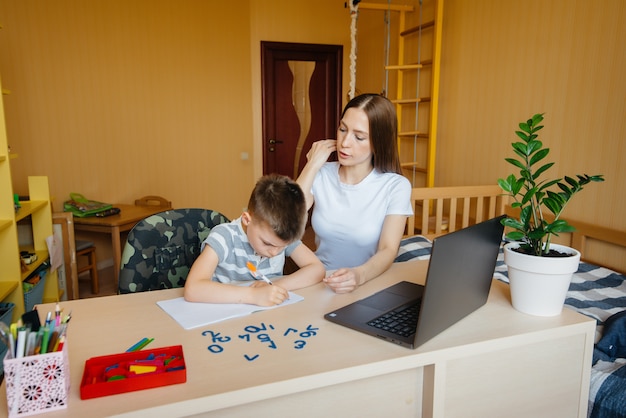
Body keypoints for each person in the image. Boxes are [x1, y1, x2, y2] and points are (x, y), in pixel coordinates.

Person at [297, 93, 413, 294]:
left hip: (368, 282)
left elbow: (388, 249)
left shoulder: (396, 186)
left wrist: (359, 275)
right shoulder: (321, 173)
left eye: (358, 137)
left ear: (379, 142)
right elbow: (287, 217)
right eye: (342, 129)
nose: (344, 142)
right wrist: (312, 165)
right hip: (320, 279)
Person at [184, 174, 325, 306]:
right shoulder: (224, 237)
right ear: (247, 220)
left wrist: (277, 287)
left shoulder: (281, 237)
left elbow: (317, 269)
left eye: (283, 246)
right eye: (267, 243)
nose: (275, 252)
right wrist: (253, 295)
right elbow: (193, 289)